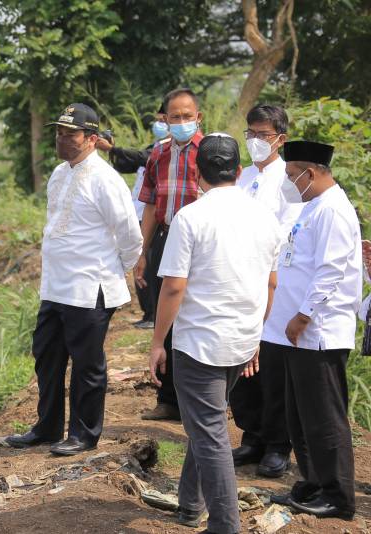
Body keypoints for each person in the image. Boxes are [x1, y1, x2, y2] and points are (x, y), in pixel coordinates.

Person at [148, 133, 281, 534]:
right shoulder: (265, 217)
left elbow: (174, 287)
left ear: (196, 172)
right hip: (241, 339)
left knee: (210, 434)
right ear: (238, 171)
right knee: (205, 423)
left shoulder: (191, 217)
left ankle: (225, 525)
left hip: (200, 345)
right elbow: (271, 283)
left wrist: (157, 342)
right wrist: (256, 335)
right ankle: (191, 504)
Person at [4, 103, 142, 456]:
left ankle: (84, 434)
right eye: (59, 133)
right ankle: (47, 427)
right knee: (47, 356)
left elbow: (130, 235)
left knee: (86, 364)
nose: (62, 139)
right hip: (55, 286)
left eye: (71, 134)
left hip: (89, 286)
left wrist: (117, 268)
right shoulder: (59, 173)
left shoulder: (105, 179)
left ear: (92, 139)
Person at [262, 141, 362, 520]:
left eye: (292, 175)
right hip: (296, 335)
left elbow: (331, 269)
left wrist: (303, 316)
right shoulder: (312, 205)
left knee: (323, 419)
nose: (288, 182)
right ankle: (313, 483)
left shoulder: (333, 209)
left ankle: (338, 497)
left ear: (311, 172)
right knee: (300, 417)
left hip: (318, 332)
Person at [229, 104, 304, 478]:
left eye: (263, 134)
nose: (256, 140)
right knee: (243, 362)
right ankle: (252, 435)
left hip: (274, 281)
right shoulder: (241, 178)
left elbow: (286, 232)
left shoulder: (288, 181)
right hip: (239, 281)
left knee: (271, 366)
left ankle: (278, 443)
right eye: (251, 134)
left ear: (280, 138)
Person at [136, 88, 204, 421]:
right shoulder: (158, 155)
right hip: (165, 238)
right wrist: (142, 252)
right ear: (165, 119)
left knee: (196, 314)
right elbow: (150, 205)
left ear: (198, 117)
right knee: (167, 315)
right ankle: (168, 399)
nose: (181, 122)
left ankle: (201, 398)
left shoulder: (209, 152)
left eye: (187, 116)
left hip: (201, 243)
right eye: (174, 117)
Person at [96, 103, 171, 329]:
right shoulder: (154, 146)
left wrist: (112, 149)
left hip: (153, 217)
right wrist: (112, 151)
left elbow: (140, 157)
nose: (159, 124)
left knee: (149, 267)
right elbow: (127, 164)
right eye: (158, 120)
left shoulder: (165, 151)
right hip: (138, 214)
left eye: (163, 120)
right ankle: (148, 313)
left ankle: (154, 315)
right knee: (141, 265)